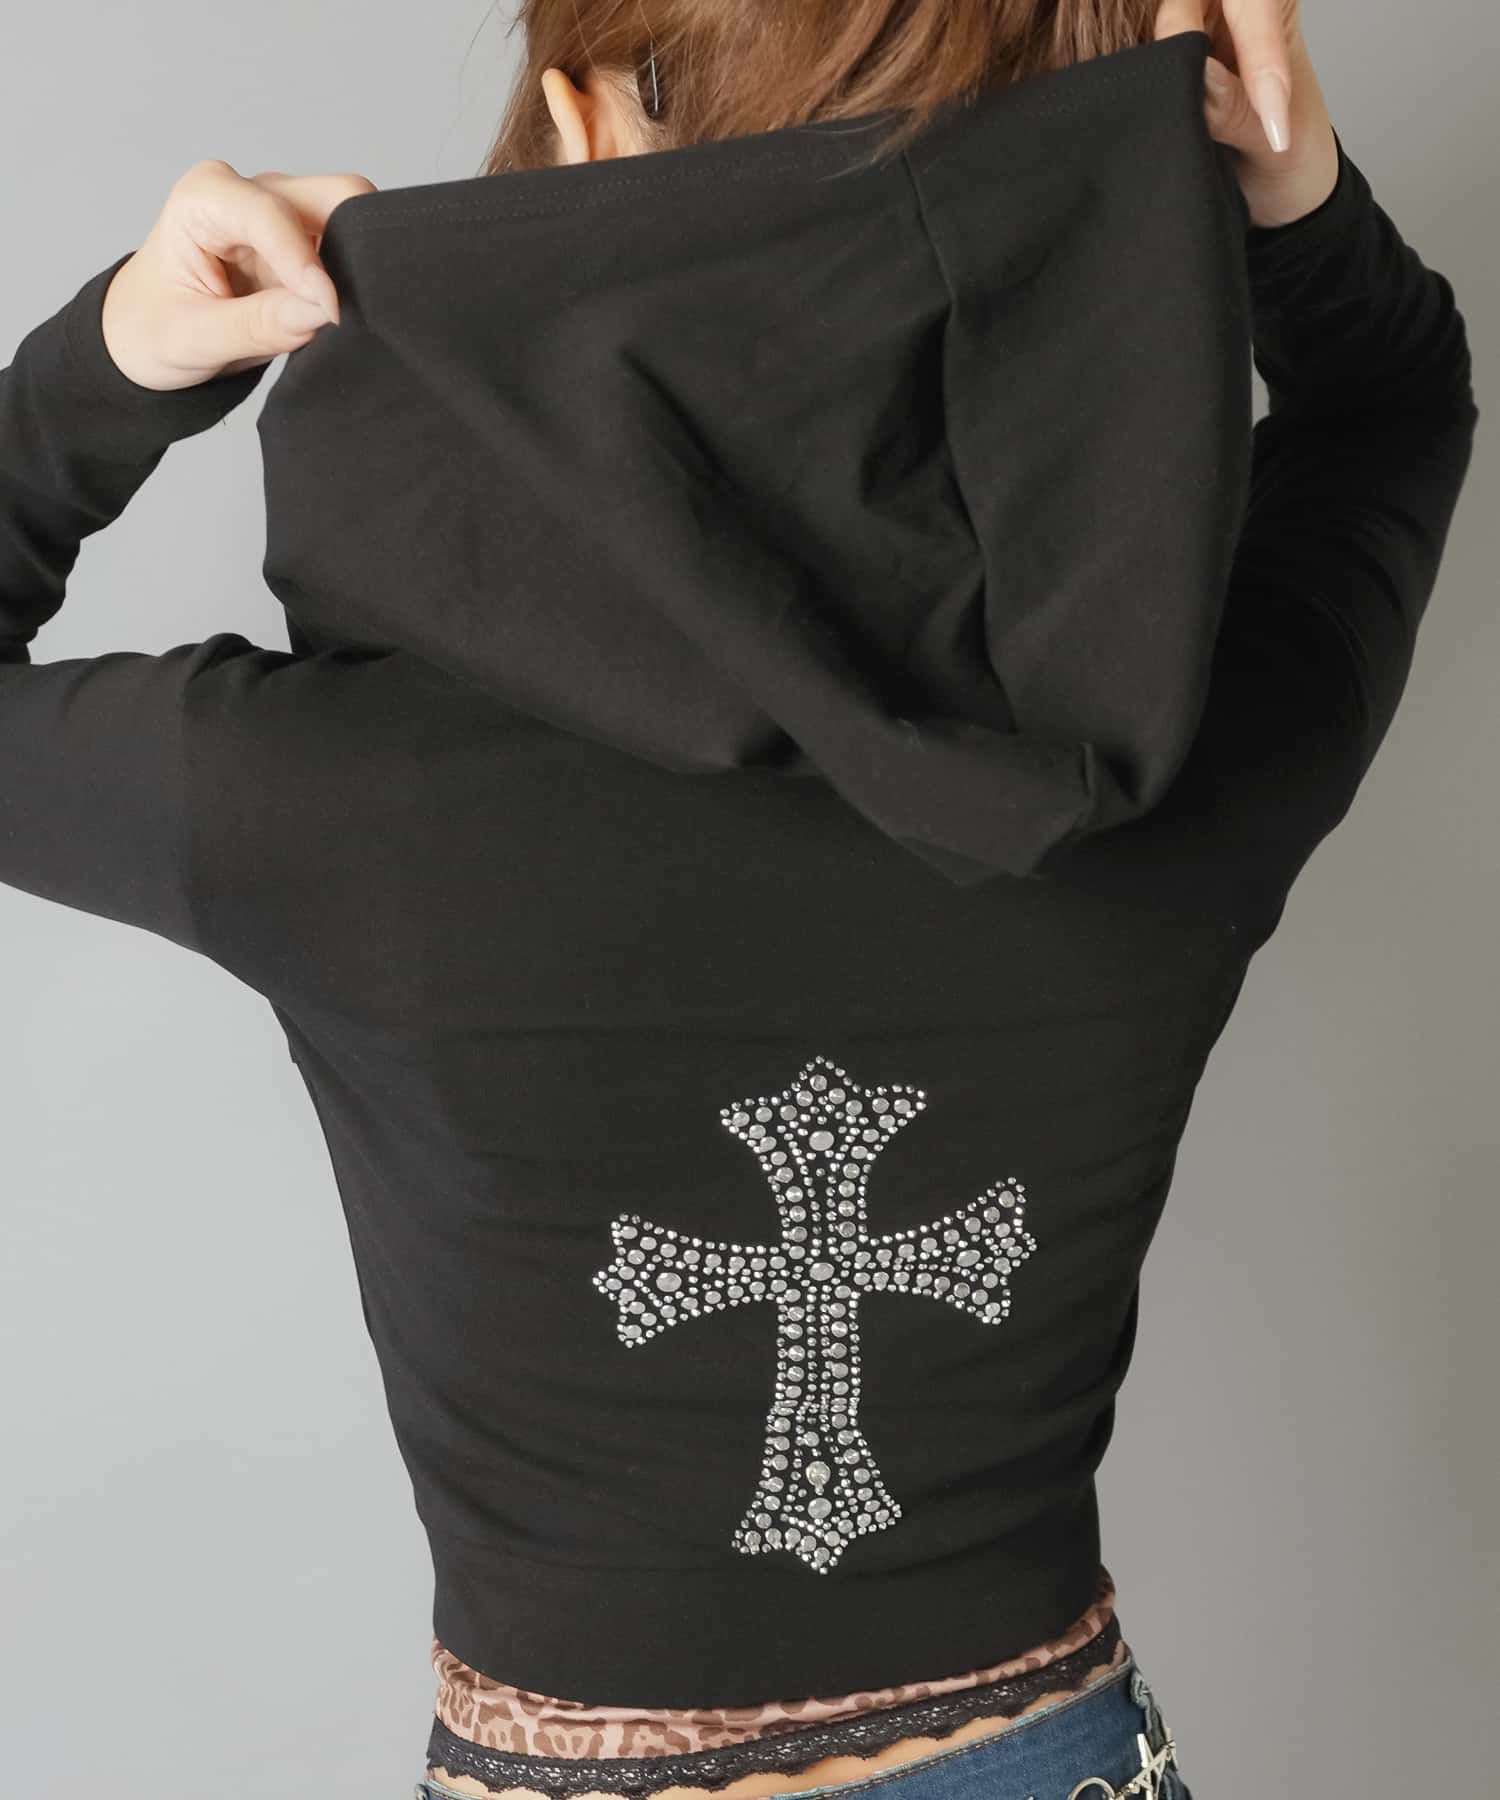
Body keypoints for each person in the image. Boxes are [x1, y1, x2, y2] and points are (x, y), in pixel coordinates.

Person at [0, 0, 1478, 1794]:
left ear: (580, 130)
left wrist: (115, 357)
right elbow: (1397, 406)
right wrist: (1296, 204)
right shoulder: (1187, 764)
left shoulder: (320, 795)